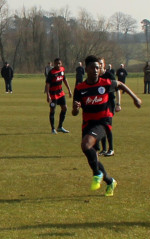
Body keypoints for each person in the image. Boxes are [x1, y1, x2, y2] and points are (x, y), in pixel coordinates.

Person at [72, 55, 141, 196]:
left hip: (103, 123)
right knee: (93, 157)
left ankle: (97, 174)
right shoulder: (80, 88)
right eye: (93, 68)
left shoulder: (105, 83)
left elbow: (120, 85)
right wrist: (76, 108)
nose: (96, 70)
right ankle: (110, 181)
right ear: (86, 70)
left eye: (98, 67)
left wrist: (135, 98)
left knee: (86, 145)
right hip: (87, 124)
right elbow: (74, 113)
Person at [98, 58, 121, 157]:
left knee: (107, 126)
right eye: (98, 64)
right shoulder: (96, 76)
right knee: (101, 126)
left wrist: (118, 104)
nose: (99, 65)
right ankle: (103, 149)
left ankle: (111, 149)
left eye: (101, 63)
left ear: (104, 64)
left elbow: (118, 89)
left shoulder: (109, 76)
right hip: (100, 103)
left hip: (110, 103)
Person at [45, 58, 72, 134]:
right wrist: (48, 95)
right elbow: (47, 84)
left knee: (64, 108)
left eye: (59, 63)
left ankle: (60, 126)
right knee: (52, 110)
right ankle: (53, 128)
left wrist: (69, 90)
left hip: (60, 93)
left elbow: (64, 80)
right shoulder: (52, 72)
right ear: (54, 64)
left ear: (61, 64)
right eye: (56, 63)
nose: (57, 65)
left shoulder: (62, 70)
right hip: (53, 94)